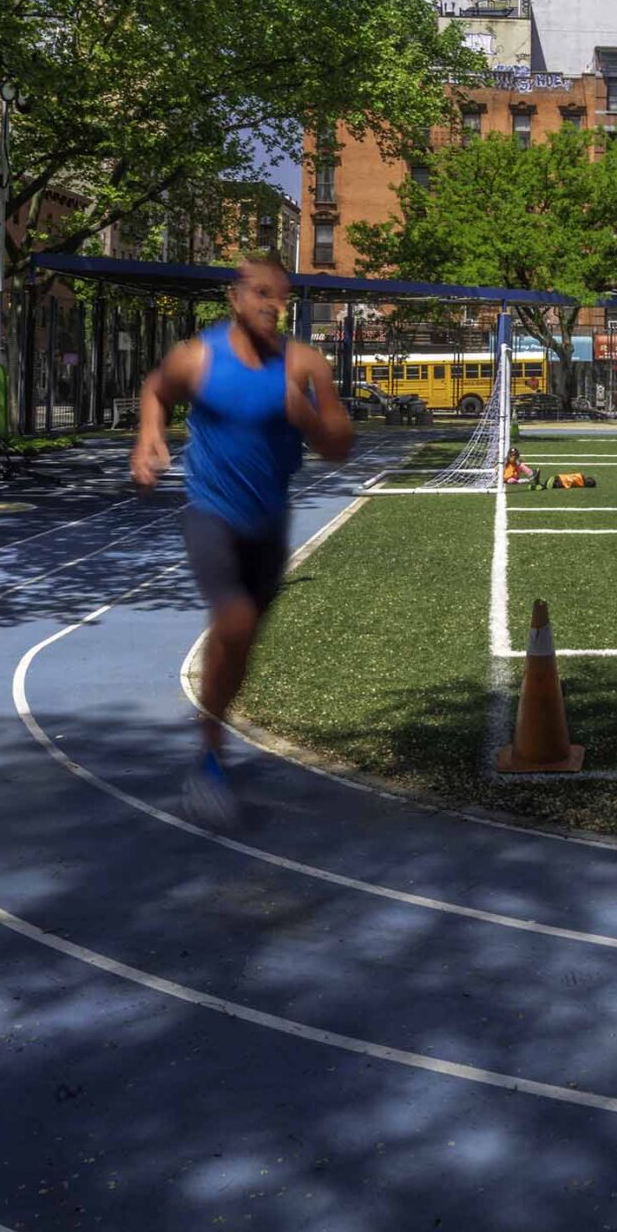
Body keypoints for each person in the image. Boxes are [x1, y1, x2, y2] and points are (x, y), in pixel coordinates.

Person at [130, 255, 353, 828]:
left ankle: (211, 737)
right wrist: (148, 439)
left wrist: (301, 413)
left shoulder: (304, 364)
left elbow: (339, 447)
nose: (269, 304)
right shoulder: (198, 358)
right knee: (233, 621)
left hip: (269, 523)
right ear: (234, 297)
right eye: (259, 292)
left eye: (280, 297)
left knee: (242, 647)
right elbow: (156, 389)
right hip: (211, 512)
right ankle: (210, 756)